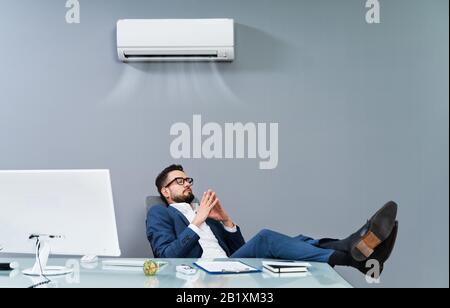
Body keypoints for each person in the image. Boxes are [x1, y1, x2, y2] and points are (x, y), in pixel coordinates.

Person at [146, 165, 398, 275]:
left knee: (297, 241)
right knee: (266, 238)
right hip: (202, 275)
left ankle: (358, 256)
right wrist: (196, 222)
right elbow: (166, 257)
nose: (187, 183)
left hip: (228, 267)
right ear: (165, 191)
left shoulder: (204, 210)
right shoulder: (160, 213)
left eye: (189, 180)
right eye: (180, 181)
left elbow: (238, 251)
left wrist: (225, 220)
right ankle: (355, 251)